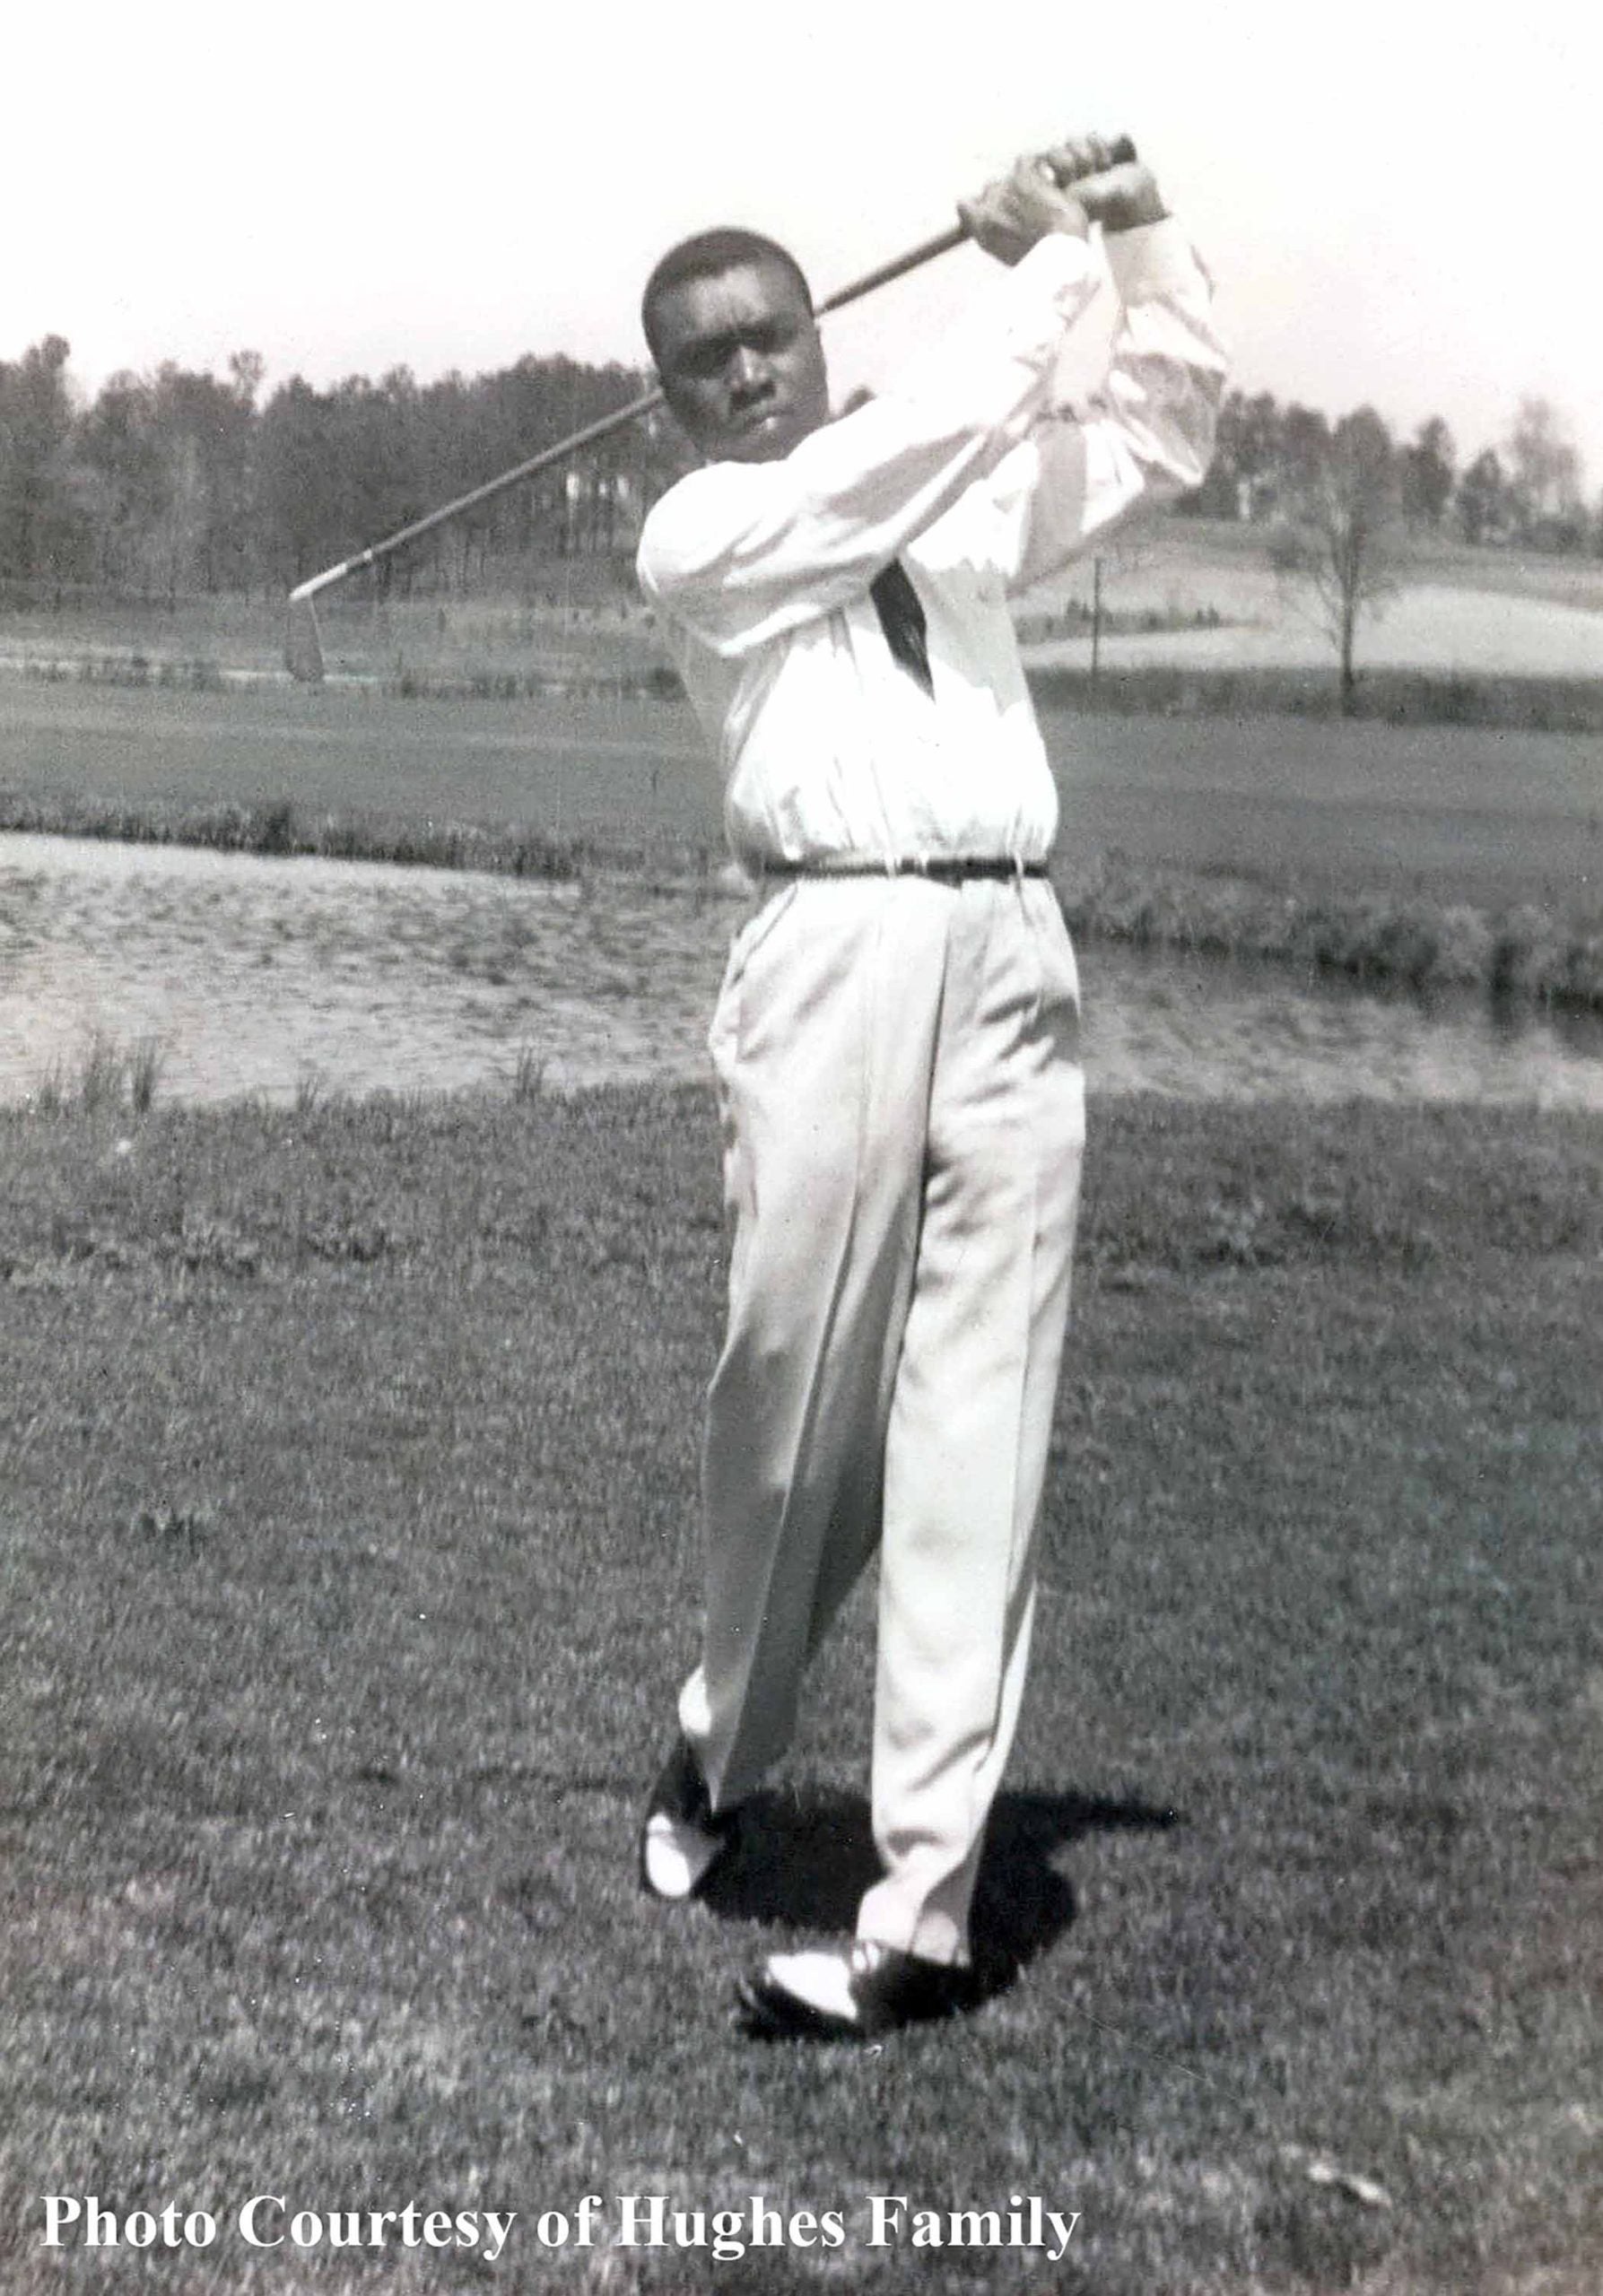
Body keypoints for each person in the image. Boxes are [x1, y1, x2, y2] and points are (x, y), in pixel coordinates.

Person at [633, 133, 1225, 2039]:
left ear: (819, 333)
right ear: (675, 395)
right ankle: (725, 1736)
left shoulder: (947, 501)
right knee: (795, 1405)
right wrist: (1041, 268)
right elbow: (915, 440)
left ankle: (923, 1909)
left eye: (775, 336)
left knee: (982, 1424)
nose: (753, 372)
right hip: (834, 959)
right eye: (711, 357)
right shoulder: (711, 539)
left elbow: (1161, 427)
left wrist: (1131, 229)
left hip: (1008, 953)